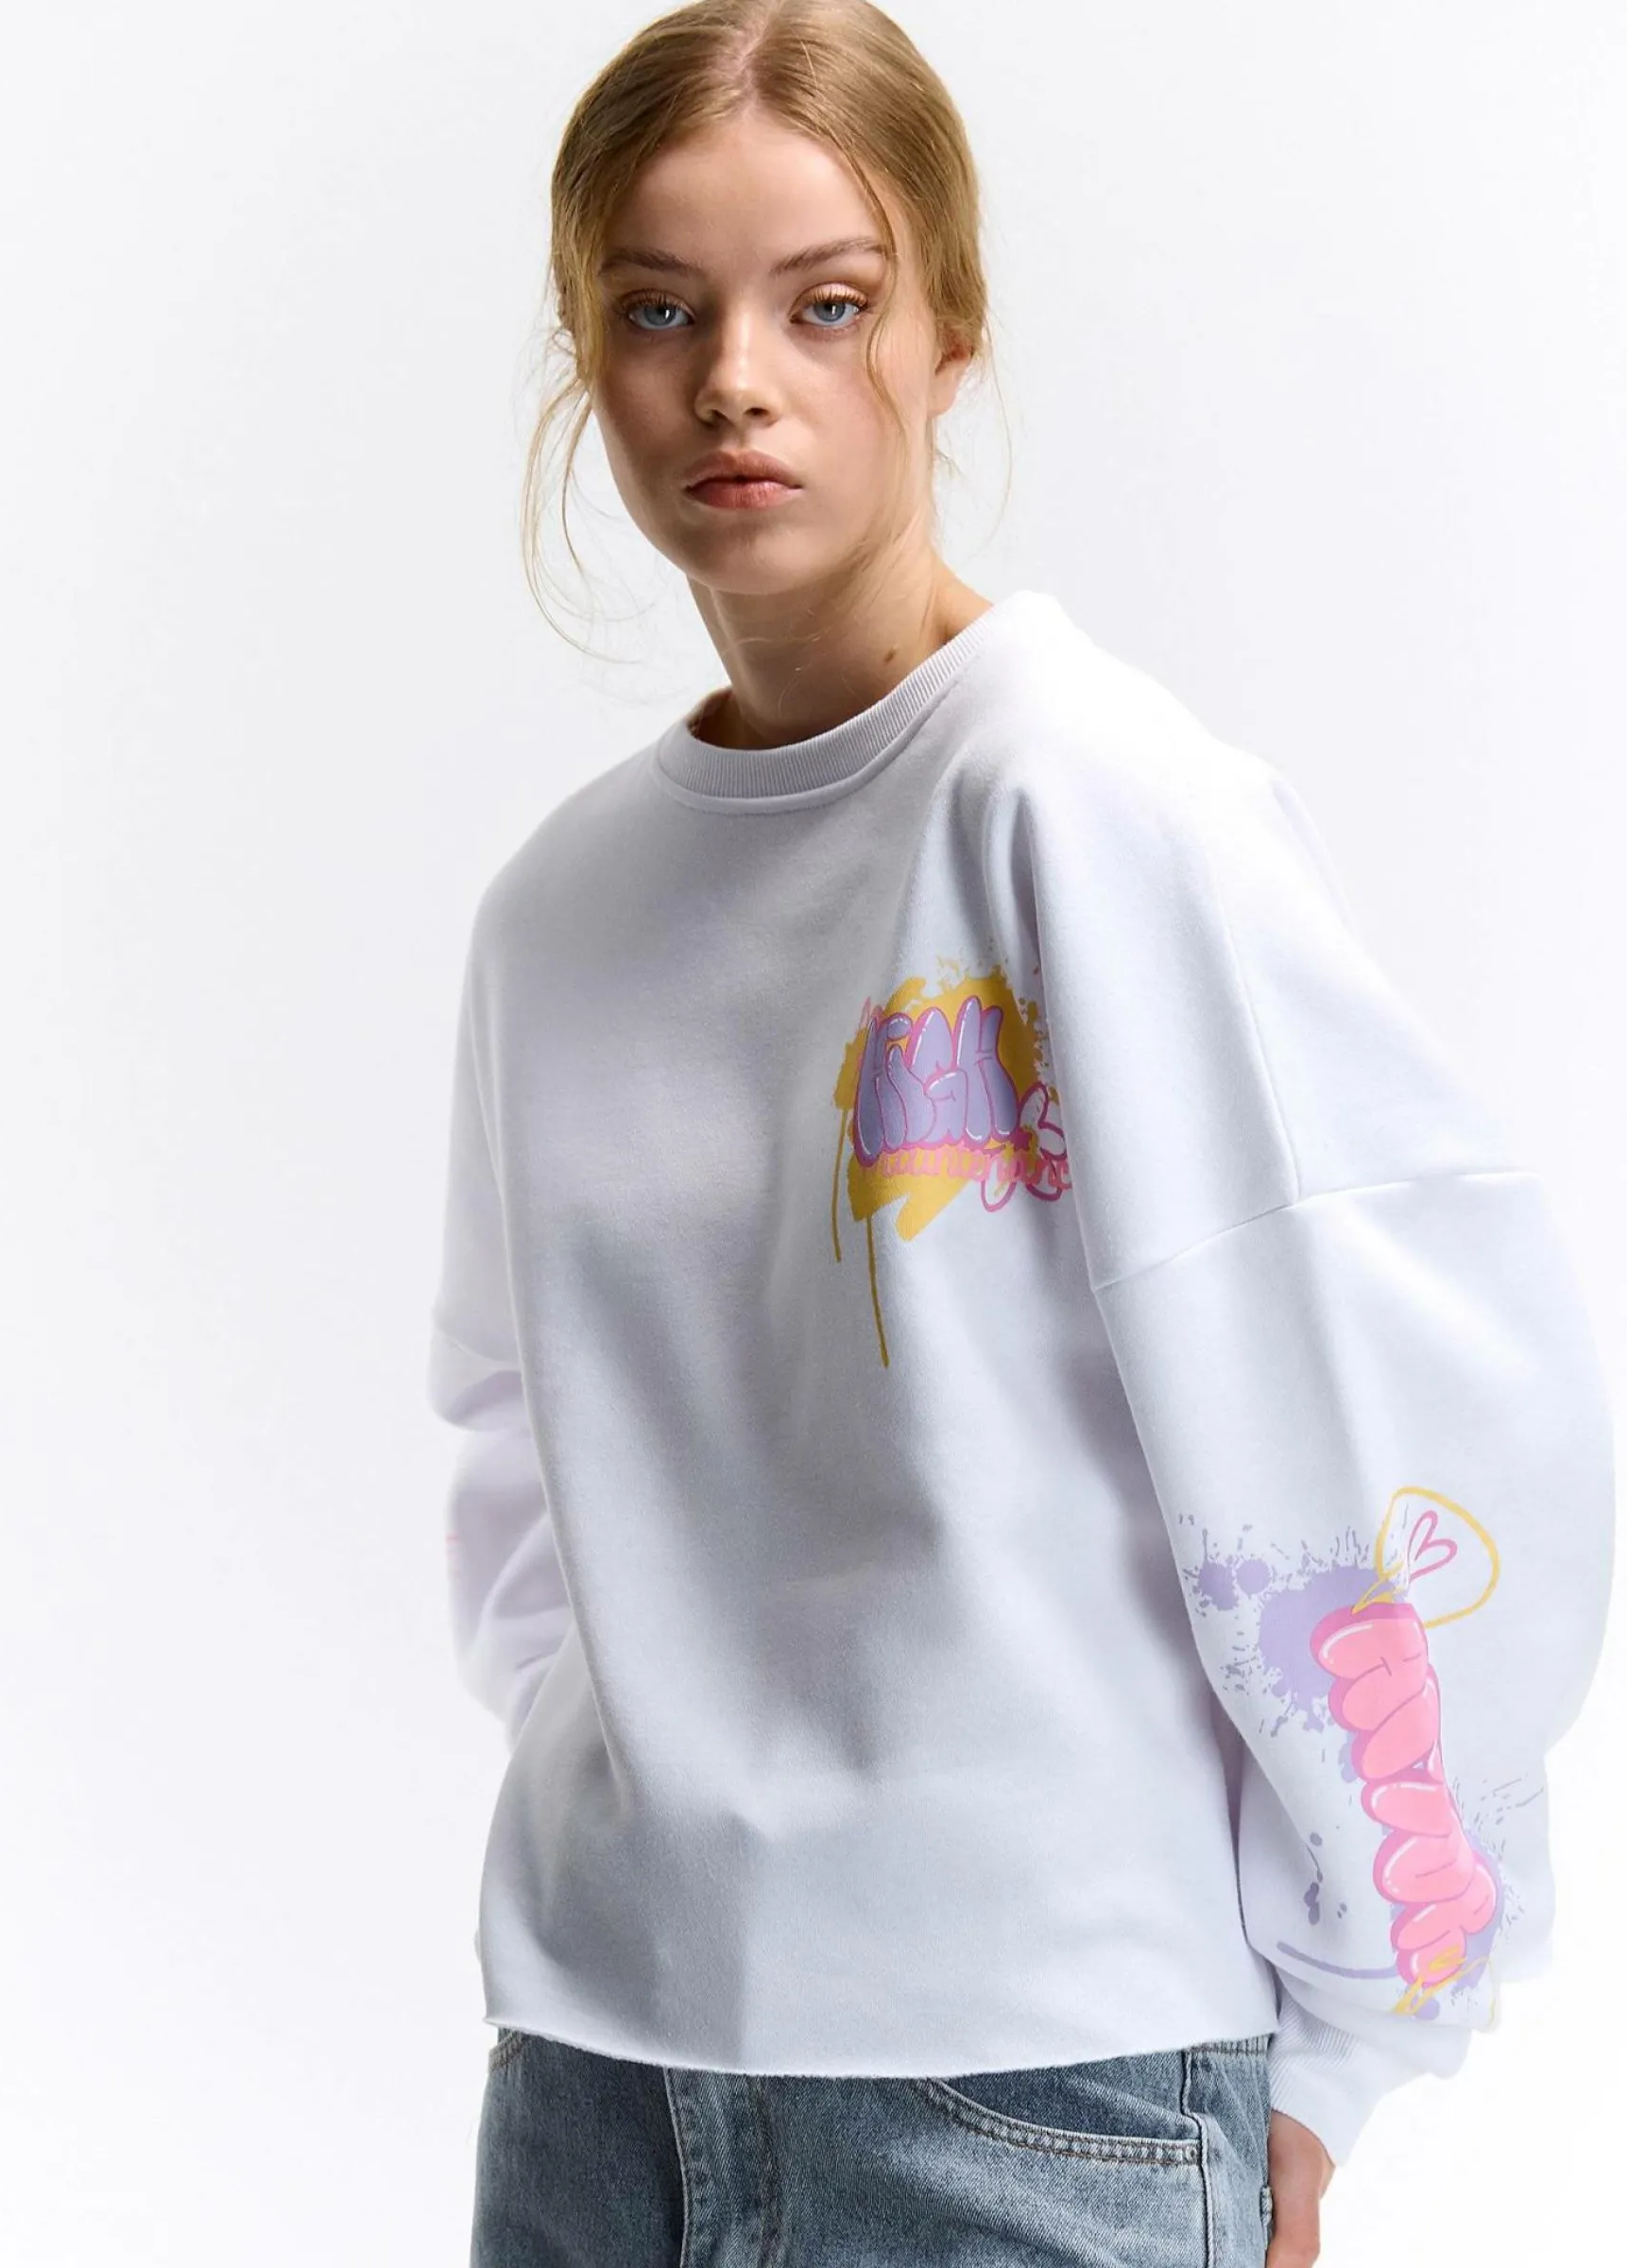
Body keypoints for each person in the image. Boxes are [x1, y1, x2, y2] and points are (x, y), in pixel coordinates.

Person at [426, 5, 1615, 2262]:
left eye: (826, 304)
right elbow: (515, 1444)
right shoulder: (560, 913)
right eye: (659, 311)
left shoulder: (1089, 802)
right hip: (596, 2080)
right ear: (587, 360)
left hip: (1035, 2092)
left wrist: (1356, 2034)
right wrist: (668, 1807)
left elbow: (1377, 1410)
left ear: (947, 337)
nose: (737, 381)